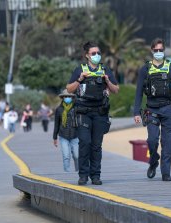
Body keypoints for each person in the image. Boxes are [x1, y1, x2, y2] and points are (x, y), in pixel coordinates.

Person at [66, 41, 119, 185]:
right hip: (83, 112)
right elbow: (69, 89)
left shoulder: (105, 70)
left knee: (96, 145)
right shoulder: (80, 69)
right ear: (87, 56)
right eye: (93, 53)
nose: (97, 55)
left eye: (98, 53)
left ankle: (95, 175)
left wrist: (107, 81)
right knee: (85, 142)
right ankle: (83, 175)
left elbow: (115, 90)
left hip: (100, 113)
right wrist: (80, 79)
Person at [133, 38, 171, 181]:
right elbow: (138, 92)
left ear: (164, 51)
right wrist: (136, 112)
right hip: (152, 109)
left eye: (160, 50)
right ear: (151, 51)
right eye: (155, 50)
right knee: (152, 140)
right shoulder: (145, 69)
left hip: (169, 109)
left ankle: (166, 173)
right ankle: (153, 160)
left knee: (168, 143)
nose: (158, 52)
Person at [53, 90, 79, 172]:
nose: (67, 98)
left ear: (72, 98)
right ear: (63, 98)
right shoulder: (59, 109)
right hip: (63, 136)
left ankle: (78, 171)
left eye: (69, 97)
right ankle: (67, 173)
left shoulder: (77, 108)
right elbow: (56, 124)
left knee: (77, 155)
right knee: (66, 156)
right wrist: (54, 138)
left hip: (75, 135)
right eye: (65, 96)